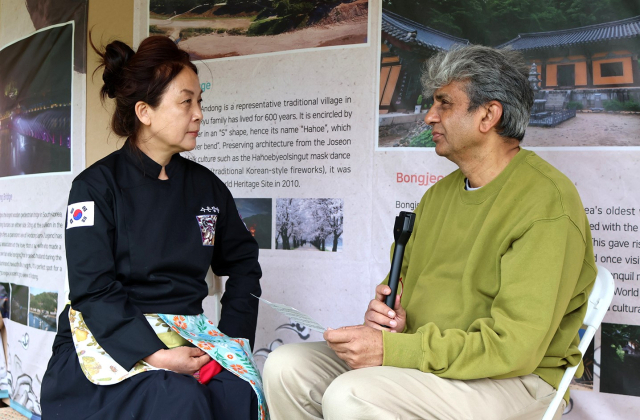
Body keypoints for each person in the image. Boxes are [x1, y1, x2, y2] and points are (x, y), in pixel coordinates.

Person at [263, 45, 596, 420]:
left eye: (444, 104)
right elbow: (404, 290)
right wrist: (391, 317)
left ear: (488, 114)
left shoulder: (546, 203)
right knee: (286, 366)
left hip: (517, 378)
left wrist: (395, 351)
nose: (428, 117)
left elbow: (514, 347)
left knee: (353, 395)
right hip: (431, 362)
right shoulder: (437, 197)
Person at [41, 36, 262, 419]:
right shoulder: (94, 188)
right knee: (178, 397)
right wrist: (156, 354)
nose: (199, 115)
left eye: (199, 102)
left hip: (187, 336)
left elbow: (243, 261)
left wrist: (232, 339)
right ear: (145, 111)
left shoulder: (206, 187)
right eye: (186, 102)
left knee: (238, 392)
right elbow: (92, 288)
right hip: (109, 337)